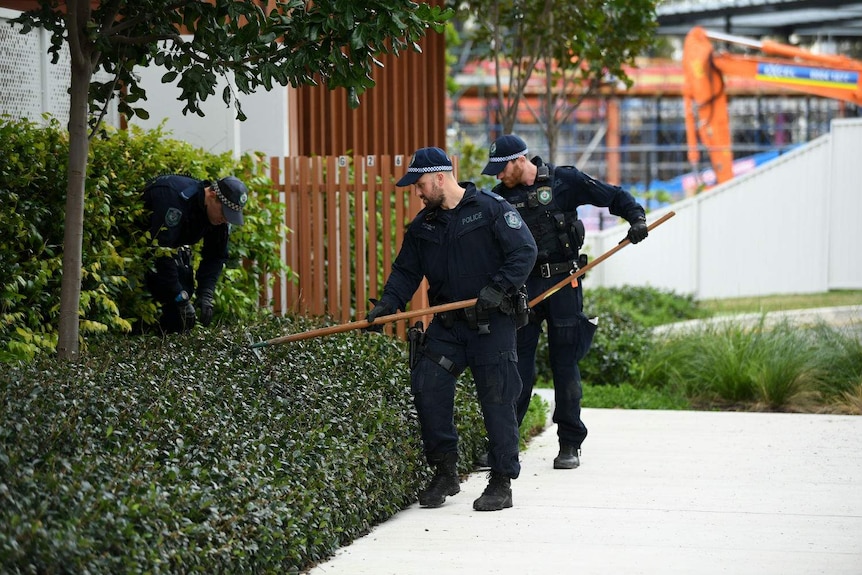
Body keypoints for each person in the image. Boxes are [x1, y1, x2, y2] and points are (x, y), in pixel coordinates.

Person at [365, 147, 537, 512]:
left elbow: (524, 251)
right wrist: (387, 305)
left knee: (497, 400)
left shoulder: (492, 210)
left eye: (421, 184)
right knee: (427, 385)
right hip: (449, 327)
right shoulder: (423, 225)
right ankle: (445, 471)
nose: (418, 192)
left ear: (440, 177)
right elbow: (406, 272)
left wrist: (498, 287)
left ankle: (501, 482)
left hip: (492, 326)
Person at [481, 134, 648, 470]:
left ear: (519, 161)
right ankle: (504, 446)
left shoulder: (564, 181)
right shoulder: (498, 201)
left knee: (565, 365)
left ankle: (570, 443)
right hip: (523, 293)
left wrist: (637, 219)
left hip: (563, 284)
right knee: (517, 368)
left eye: (502, 169)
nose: (498, 176)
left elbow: (612, 196)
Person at [142, 173, 248, 334]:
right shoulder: (174, 198)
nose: (226, 219)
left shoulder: (218, 216)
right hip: (141, 254)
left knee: (183, 312)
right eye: (224, 213)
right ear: (212, 194)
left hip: (169, 253)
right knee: (172, 307)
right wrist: (179, 297)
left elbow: (216, 255)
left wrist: (206, 293)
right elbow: (159, 251)